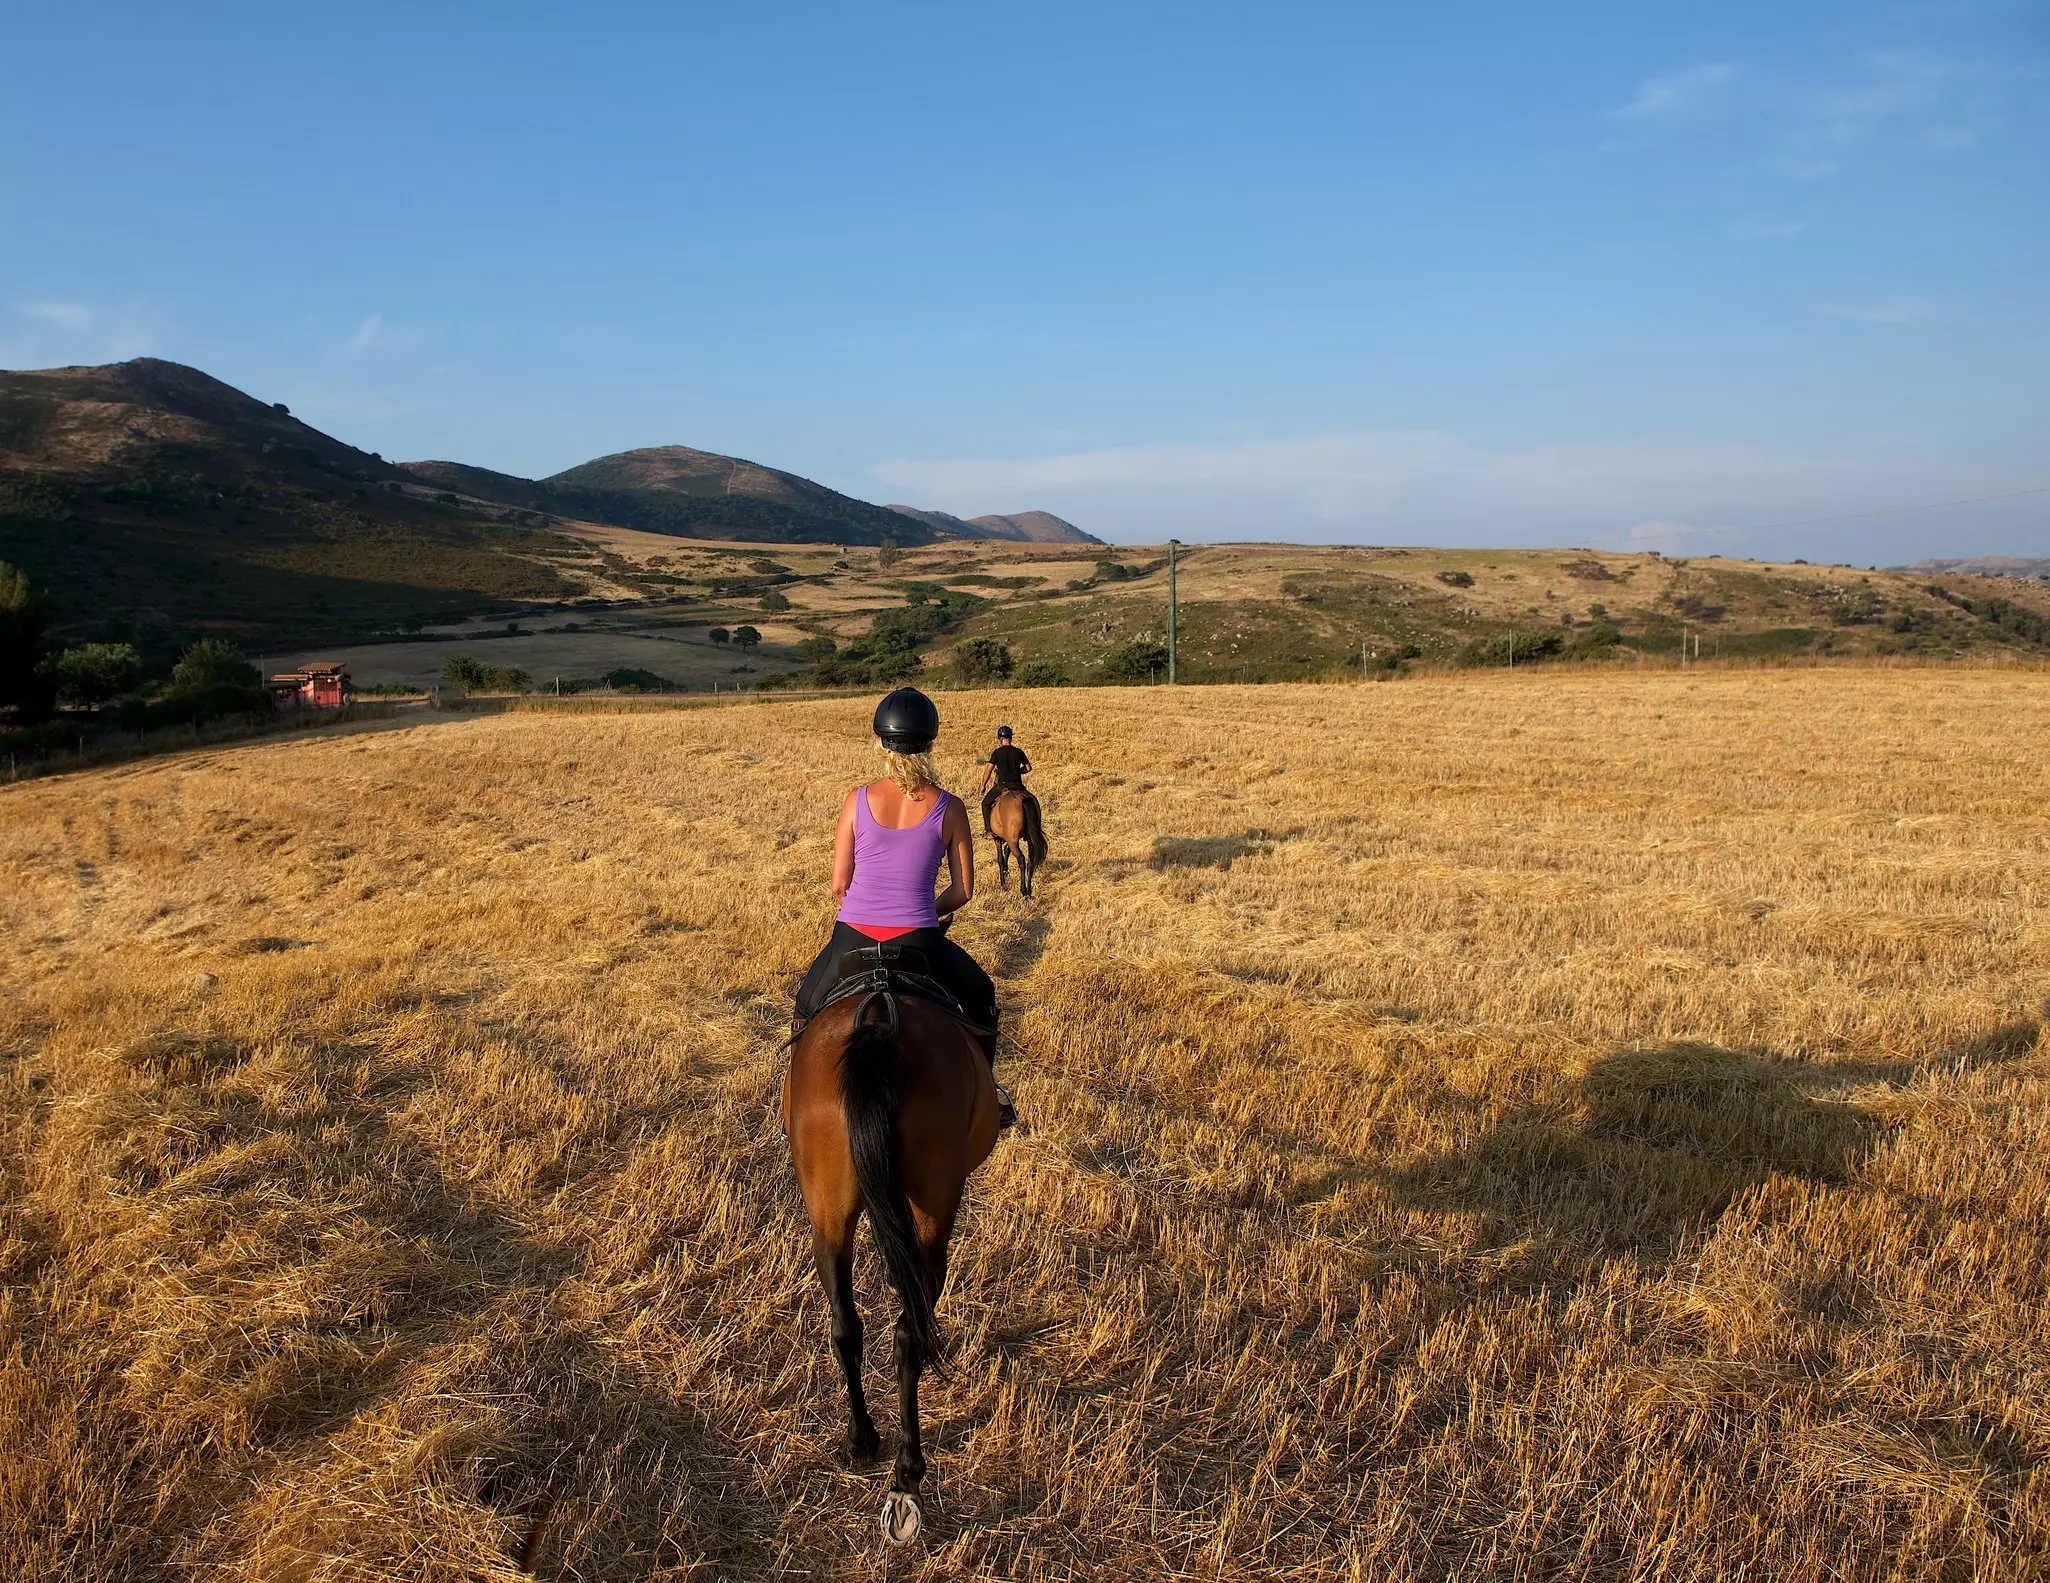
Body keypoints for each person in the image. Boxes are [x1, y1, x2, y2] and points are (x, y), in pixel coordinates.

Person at [793, 687, 1016, 1128]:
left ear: (881, 743)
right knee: (982, 996)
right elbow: (963, 890)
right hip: (919, 939)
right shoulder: (950, 807)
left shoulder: (856, 800)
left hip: (852, 939)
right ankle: (989, 1091)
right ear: (931, 744)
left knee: (805, 1007)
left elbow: (839, 883)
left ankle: (794, 1107)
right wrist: (928, 908)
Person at [979, 724, 1036, 838]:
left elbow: (988, 770)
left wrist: (983, 785)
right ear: (1011, 738)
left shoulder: (997, 752)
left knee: (985, 803)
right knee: (1031, 802)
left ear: (1000, 739)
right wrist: (1018, 771)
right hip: (1018, 786)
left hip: (1002, 785)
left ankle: (989, 831)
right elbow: (1028, 768)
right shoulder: (1018, 752)